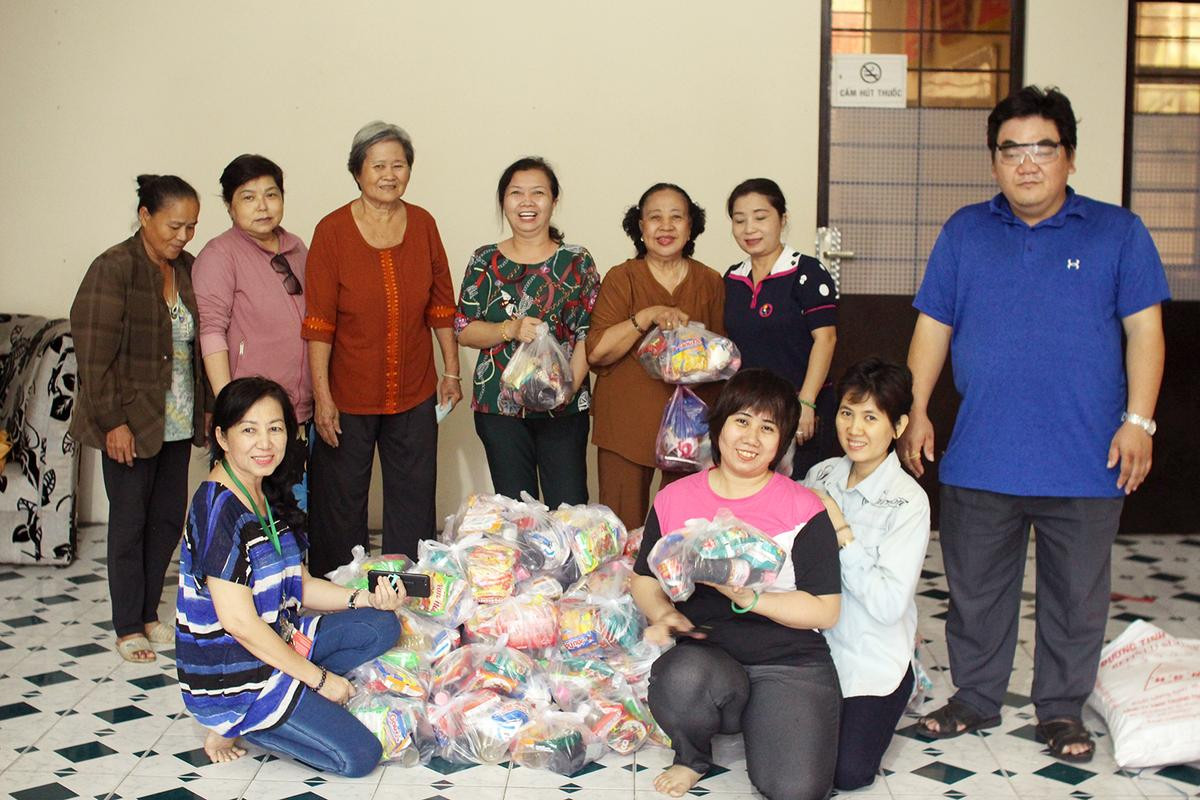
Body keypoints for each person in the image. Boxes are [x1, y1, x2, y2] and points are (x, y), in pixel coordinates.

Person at [900, 86, 1169, 763]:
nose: (1026, 164)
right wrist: (917, 410)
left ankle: (1060, 710)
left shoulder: (1118, 232)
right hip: (983, 455)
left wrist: (1140, 421)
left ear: (1069, 157)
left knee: (1076, 599)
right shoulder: (965, 230)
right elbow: (933, 326)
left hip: (1085, 458)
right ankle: (975, 697)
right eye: (1011, 150)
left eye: (1041, 149)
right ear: (994, 161)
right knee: (975, 592)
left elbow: (1146, 333)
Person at [175, 377, 403, 776]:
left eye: (275, 428)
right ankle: (235, 723)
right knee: (360, 756)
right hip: (235, 674)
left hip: (280, 638)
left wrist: (366, 598)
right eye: (249, 429)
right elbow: (240, 624)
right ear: (222, 437)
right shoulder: (218, 510)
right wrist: (319, 681)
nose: (265, 443)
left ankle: (293, 693)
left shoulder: (265, 492)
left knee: (382, 624)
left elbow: (302, 585)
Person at [631, 368, 842, 800]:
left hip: (788, 660)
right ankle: (692, 756)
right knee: (681, 677)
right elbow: (643, 578)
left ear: (782, 440)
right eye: (741, 421)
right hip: (708, 654)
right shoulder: (675, 498)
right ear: (720, 426)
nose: (751, 437)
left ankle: (768, 721)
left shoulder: (803, 507)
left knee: (795, 790)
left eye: (768, 427)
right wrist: (663, 612)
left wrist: (749, 595)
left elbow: (825, 609)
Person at [301, 121, 462, 576]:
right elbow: (318, 324)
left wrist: (451, 372)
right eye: (378, 165)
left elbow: (441, 307)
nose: (389, 174)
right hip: (346, 394)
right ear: (357, 172)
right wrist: (323, 398)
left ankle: (408, 596)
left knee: (413, 497)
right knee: (339, 502)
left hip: (413, 389)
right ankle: (338, 595)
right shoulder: (331, 231)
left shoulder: (424, 224)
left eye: (399, 164)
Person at [70, 174, 209, 664]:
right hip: (130, 421)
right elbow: (93, 356)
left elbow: (198, 347)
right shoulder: (113, 268)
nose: (182, 236)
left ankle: (150, 613)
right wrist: (113, 422)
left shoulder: (189, 269)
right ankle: (128, 625)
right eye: (174, 225)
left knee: (167, 520)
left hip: (177, 420)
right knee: (129, 522)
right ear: (145, 216)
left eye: (191, 227)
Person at [803, 357, 930, 790]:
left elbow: (888, 604)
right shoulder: (820, 475)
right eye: (846, 413)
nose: (855, 429)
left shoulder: (909, 502)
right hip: (812, 649)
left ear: (898, 426)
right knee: (788, 755)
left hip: (871, 657)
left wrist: (840, 529)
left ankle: (908, 680)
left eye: (871, 417)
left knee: (848, 774)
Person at [455, 157, 599, 506]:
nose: (527, 202)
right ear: (503, 201)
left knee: (569, 506)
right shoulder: (484, 260)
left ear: (554, 200)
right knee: (515, 508)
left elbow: (589, 332)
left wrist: (567, 390)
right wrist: (510, 329)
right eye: (516, 193)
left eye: (538, 193)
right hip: (499, 407)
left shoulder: (577, 261)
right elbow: (463, 329)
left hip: (563, 408)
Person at [587, 183, 726, 530]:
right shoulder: (622, 278)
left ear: (691, 226)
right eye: (655, 218)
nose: (666, 227)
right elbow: (598, 351)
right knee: (620, 528)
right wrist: (646, 316)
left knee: (683, 530)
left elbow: (725, 357)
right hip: (626, 426)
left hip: (690, 431)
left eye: (676, 217)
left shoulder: (710, 281)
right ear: (640, 226)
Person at [723, 179, 837, 479]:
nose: (750, 228)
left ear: (782, 219)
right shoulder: (732, 278)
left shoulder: (807, 272)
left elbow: (825, 339)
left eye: (760, 218)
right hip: (750, 417)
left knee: (803, 497)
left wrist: (807, 403)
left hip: (800, 412)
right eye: (739, 220)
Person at [193, 154, 312, 424]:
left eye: (271, 195)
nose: (262, 206)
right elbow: (211, 331)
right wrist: (228, 406)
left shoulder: (296, 249)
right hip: (248, 413)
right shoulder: (220, 254)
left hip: (301, 409)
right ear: (229, 205)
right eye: (248, 197)